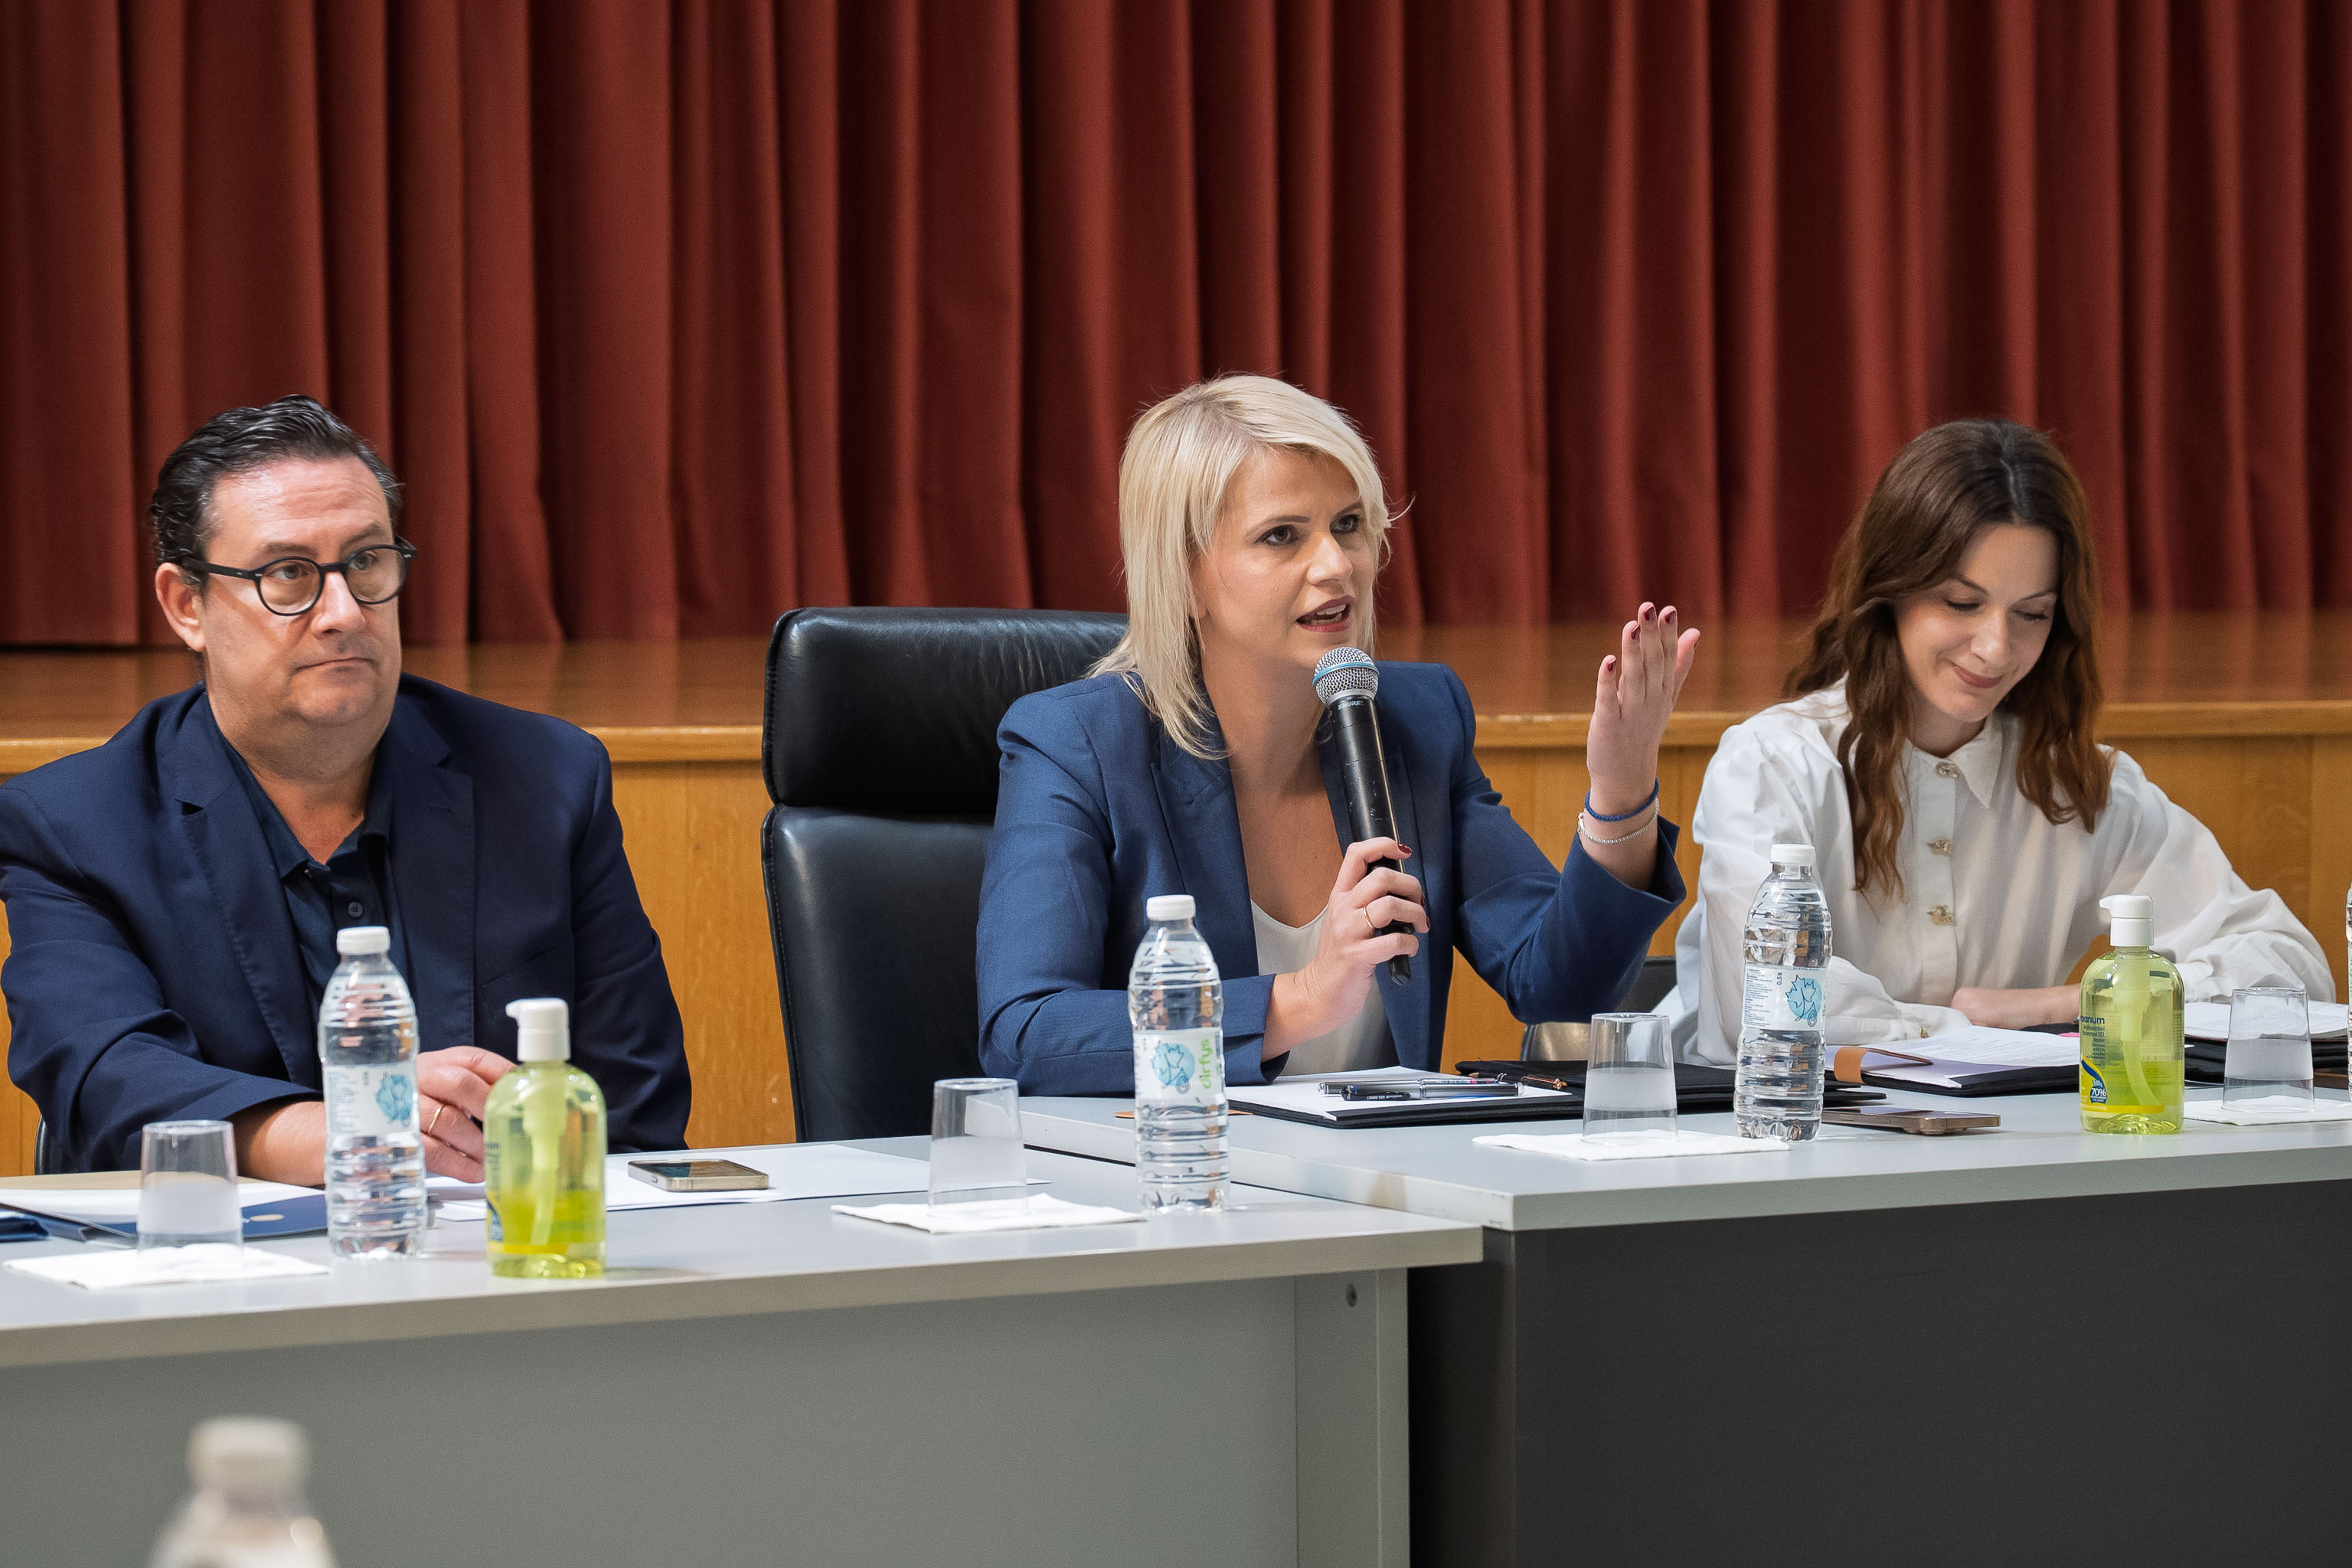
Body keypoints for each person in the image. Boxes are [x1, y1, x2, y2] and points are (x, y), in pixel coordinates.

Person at [0, 395, 691, 1177]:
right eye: (288, 574)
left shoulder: (545, 779)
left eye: (365, 563)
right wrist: (363, 1129)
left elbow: (635, 1109)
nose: (343, 612)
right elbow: (106, 1084)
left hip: (499, 1241)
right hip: (221, 1248)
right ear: (187, 605)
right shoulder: (73, 826)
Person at [978, 375, 1697, 1093]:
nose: (1336, 565)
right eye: (1281, 536)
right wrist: (1300, 1000)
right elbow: (1027, 1034)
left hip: (1381, 1163)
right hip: (1181, 1155)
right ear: (1186, 578)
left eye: (1349, 525)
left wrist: (1621, 790)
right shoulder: (1075, 745)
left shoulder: (1416, 720)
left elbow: (1561, 987)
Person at [1672, 418, 2330, 1063]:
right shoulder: (1771, 766)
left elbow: (2291, 974)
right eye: (1962, 603)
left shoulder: (2077, 783)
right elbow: (1771, 1005)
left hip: (2011, 1132)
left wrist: (2068, 1005)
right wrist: (1969, 1032)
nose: (1996, 647)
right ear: (1889, 590)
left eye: (2031, 614)